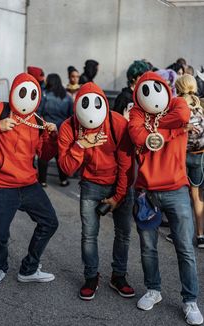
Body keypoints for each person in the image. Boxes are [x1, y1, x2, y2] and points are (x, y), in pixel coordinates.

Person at [0, 73, 59, 289]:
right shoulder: (0, 109)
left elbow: (45, 155)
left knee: (50, 222)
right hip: (1, 184)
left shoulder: (37, 120)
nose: (27, 97)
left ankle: (29, 269)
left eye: (32, 93)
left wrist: (52, 136)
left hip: (29, 184)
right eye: (23, 91)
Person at [128, 71, 203, 325]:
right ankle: (154, 290)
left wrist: (155, 128)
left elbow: (182, 116)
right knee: (148, 248)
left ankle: (190, 301)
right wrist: (173, 132)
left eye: (156, 87)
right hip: (146, 192)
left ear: (164, 87)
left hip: (177, 190)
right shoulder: (137, 112)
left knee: (185, 248)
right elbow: (137, 136)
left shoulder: (177, 103)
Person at [58, 82, 135, 301]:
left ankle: (118, 276)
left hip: (119, 184)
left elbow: (126, 164)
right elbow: (66, 168)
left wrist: (118, 196)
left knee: (123, 233)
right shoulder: (69, 127)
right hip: (91, 185)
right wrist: (80, 145)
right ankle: (91, 277)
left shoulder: (117, 123)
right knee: (89, 235)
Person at [175, 74, 204, 248]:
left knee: (180, 195)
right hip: (200, 155)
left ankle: (182, 234)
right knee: (198, 195)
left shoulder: (177, 105)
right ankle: (201, 236)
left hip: (181, 155)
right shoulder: (201, 105)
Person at [38, 73, 73, 187]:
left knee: (44, 154)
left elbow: (39, 112)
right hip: (62, 130)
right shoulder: (67, 97)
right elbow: (71, 116)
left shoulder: (45, 95)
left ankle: (42, 181)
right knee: (60, 155)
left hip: (47, 129)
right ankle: (63, 180)